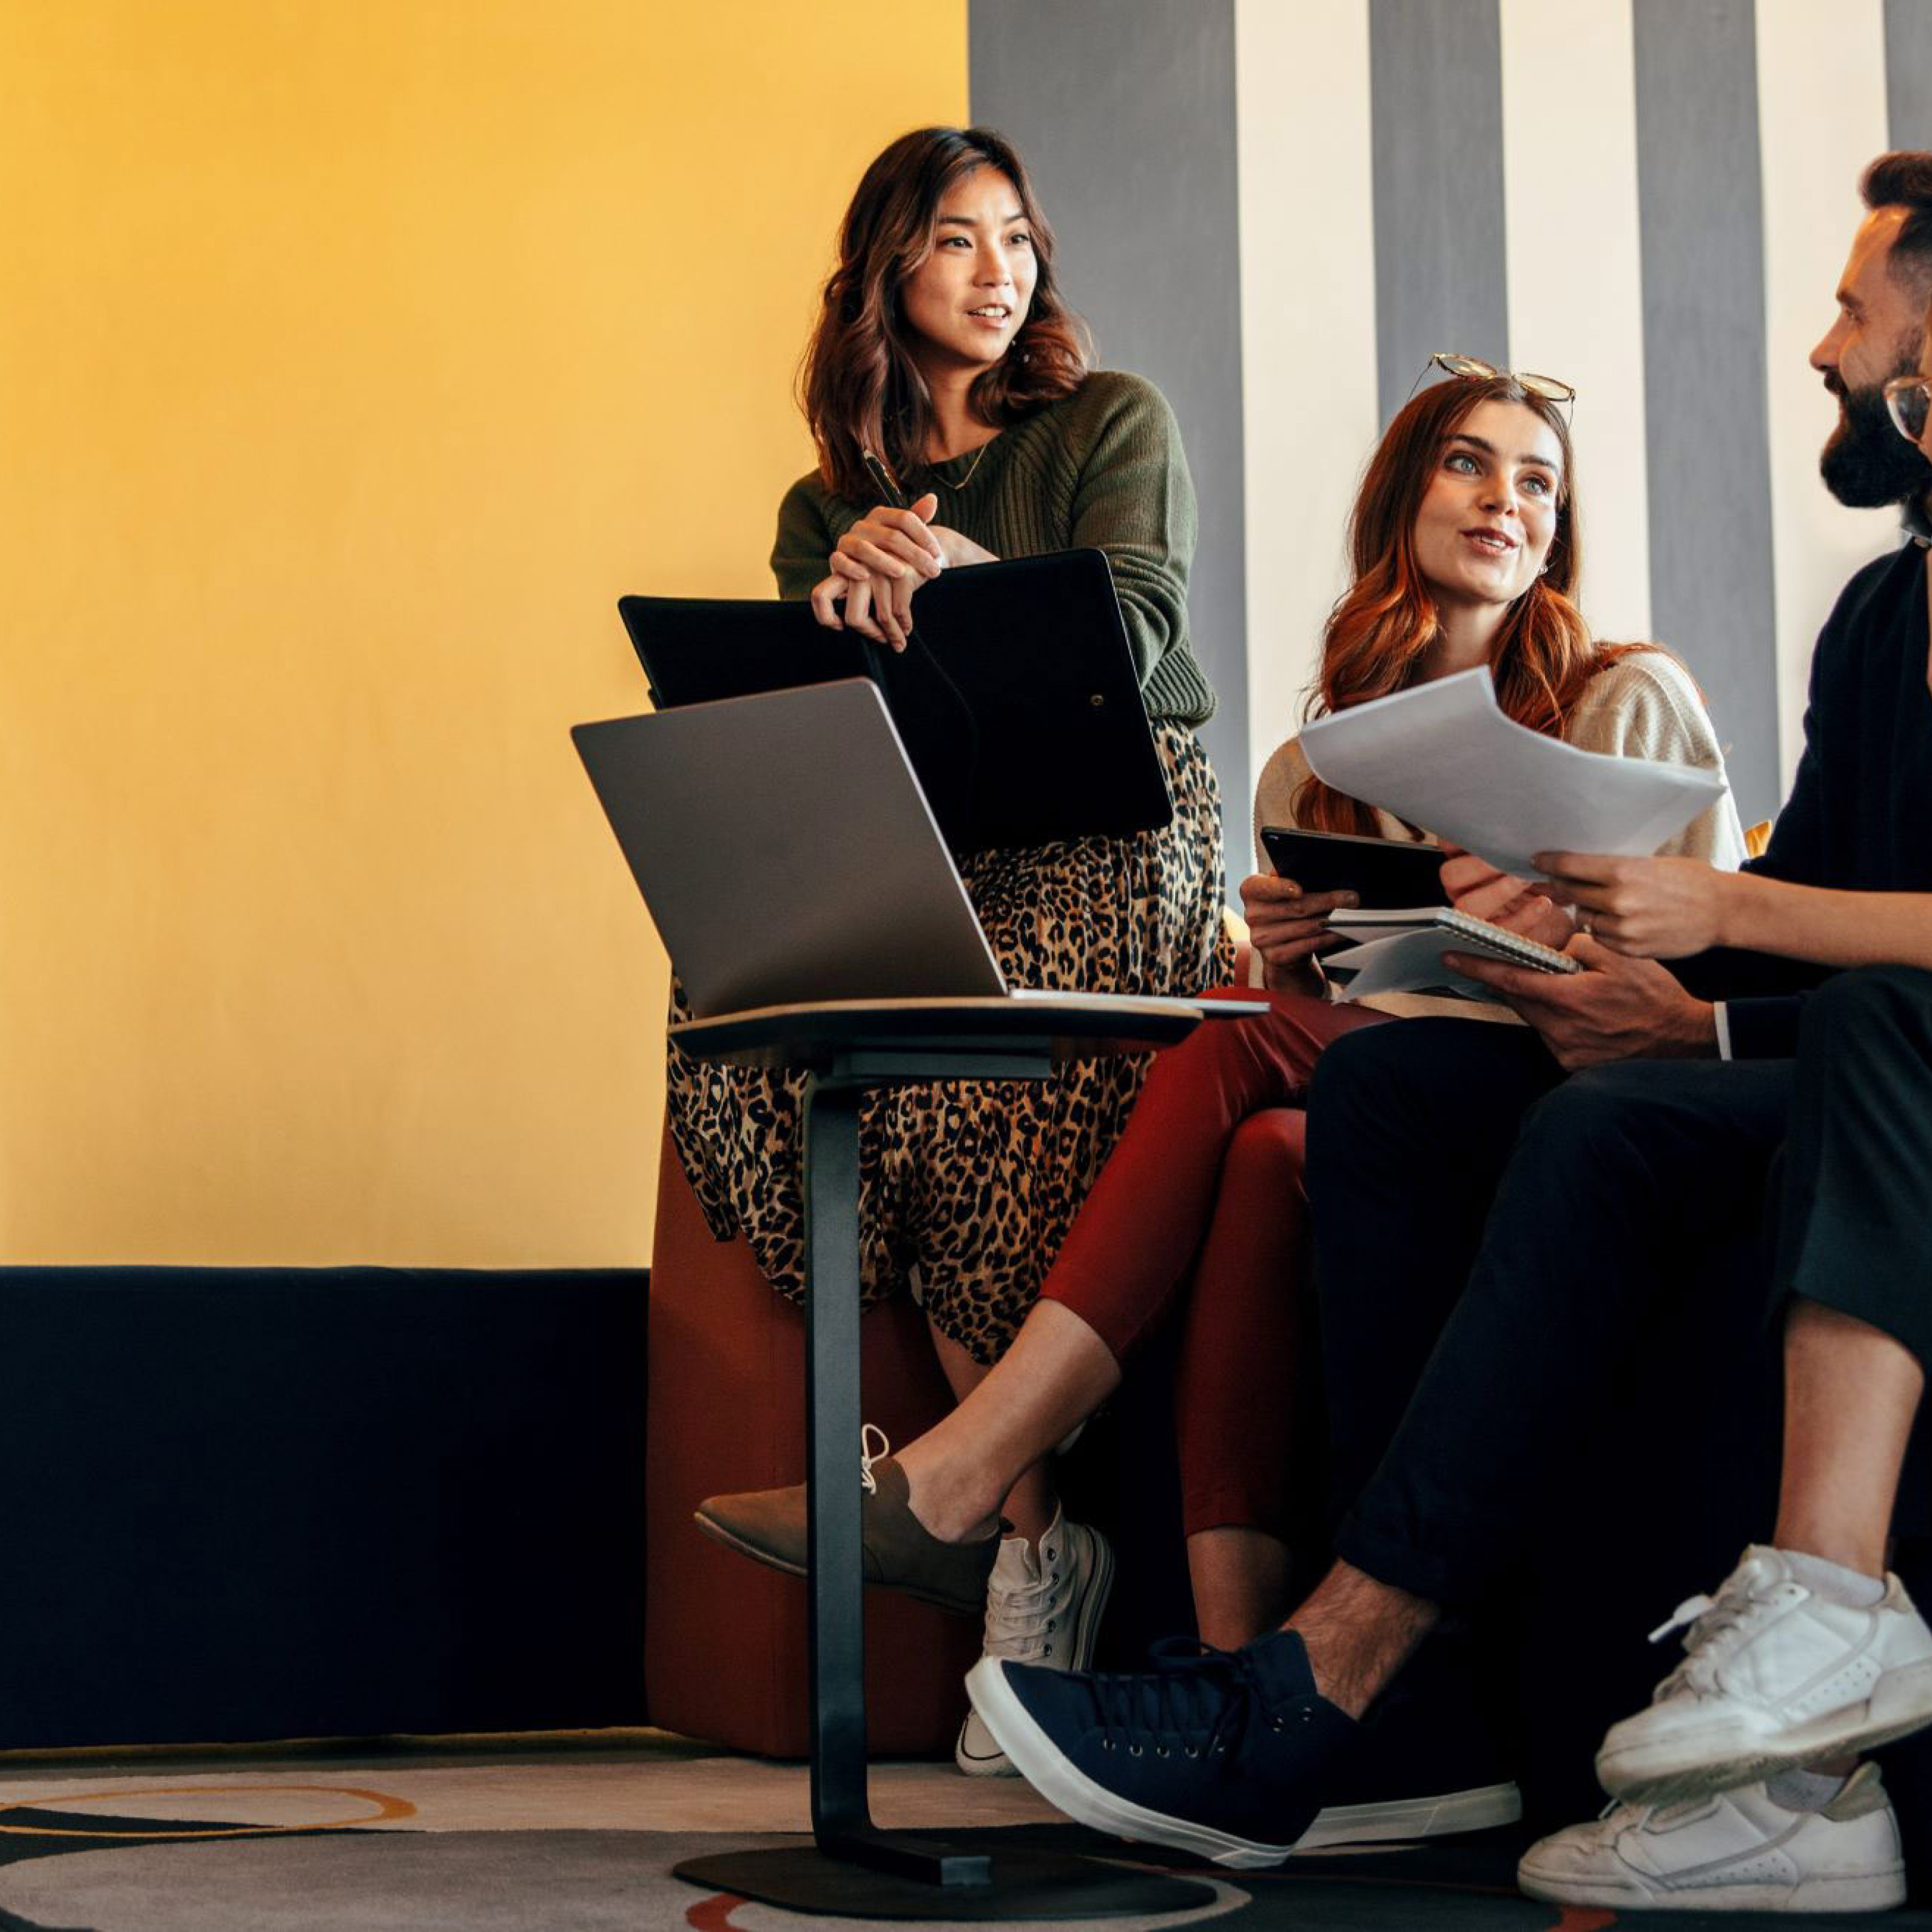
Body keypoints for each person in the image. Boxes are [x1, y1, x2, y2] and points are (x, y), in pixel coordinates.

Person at [960, 151, 1932, 1912]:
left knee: (1413, 1093)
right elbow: (1799, 954)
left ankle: (1323, 1672)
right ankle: (1426, 1707)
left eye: (1857, 313)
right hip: (1798, 1052)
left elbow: (1811, 945)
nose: (1822, 347)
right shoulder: (1879, 621)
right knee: (1389, 1086)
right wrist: (1679, 1014)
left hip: (1883, 1067)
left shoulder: (1634, 684)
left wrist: (1715, 927)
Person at [698, 358, 1744, 1798]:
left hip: (1580, 1082)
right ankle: (1248, 1690)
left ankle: (963, 1471)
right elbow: (1330, 1030)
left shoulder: (1630, 694)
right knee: (1260, 1147)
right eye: (1469, 465)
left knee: (1223, 1042)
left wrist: (1570, 920)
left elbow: (1717, 958)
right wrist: (1304, 957)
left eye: (1538, 481)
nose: (1506, 500)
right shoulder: (1309, 769)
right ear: (1404, 498)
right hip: (1409, 1094)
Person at [673, 125, 1231, 1766]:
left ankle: (1029, 1545)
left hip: (1118, 822)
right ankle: (1027, 1536)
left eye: (1018, 240)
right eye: (957, 245)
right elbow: (806, 730)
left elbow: (1135, 635)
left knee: (967, 1097)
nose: (1003, 275)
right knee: (754, 1004)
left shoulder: (1108, 422)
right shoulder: (820, 499)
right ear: (884, 275)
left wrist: (971, 578)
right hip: (938, 830)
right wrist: (842, 598)